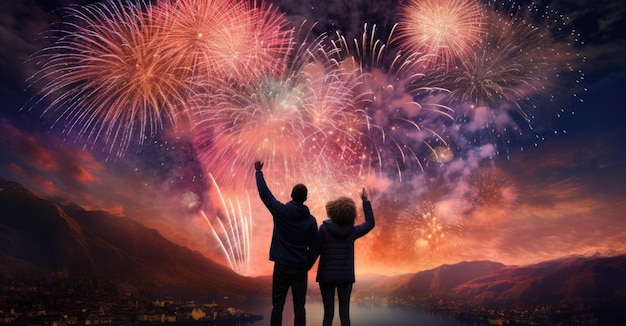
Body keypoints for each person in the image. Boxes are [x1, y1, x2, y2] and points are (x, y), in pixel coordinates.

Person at [254, 161, 318, 326]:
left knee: (277, 307)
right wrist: (306, 264)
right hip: (299, 269)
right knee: (299, 307)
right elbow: (316, 248)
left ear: (291, 194)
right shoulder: (311, 221)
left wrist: (259, 172)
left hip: (281, 266)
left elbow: (264, 193)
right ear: (305, 198)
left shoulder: (280, 211)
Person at [316, 188, 375, 326]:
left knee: (328, 314)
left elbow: (315, 250)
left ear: (332, 212)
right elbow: (370, 223)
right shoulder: (352, 232)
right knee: (345, 315)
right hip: (345, 277)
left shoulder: (323, 229)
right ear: (350, 213)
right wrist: (365, 201)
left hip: (326, 277)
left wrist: (305, 264)